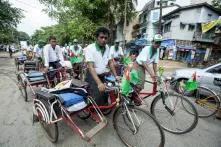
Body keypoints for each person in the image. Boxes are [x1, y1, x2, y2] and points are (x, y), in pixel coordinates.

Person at [84, 27, 119, 105]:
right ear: (97, 37)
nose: (104, 40)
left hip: (102, 74)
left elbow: (110, 63)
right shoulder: (90, 48)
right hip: (92, 75)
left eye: (106, 38)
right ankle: (94, 114)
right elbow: (90, 67)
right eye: (101, 37)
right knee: (96, 96)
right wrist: (99, 83)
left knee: (105, 93)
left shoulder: (107, 47)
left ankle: (103, 109)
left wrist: (116, 76)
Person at [134, 34, 162, 105]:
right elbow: (143, 62)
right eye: (156, 42)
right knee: (140, 82)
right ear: (152, 42)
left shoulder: (157, 51)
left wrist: (156, 74)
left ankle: (135, 94)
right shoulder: (146, 48)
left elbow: (155, 64)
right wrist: (151, 74)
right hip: (138, 65)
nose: (157, 44)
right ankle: (134, 97)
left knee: (141, 82)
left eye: (159, 43)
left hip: (143, 66)